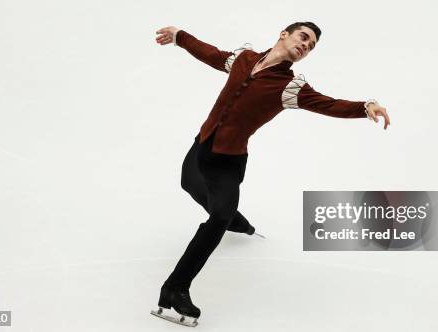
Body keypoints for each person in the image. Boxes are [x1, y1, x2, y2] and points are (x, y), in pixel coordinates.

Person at [152, 22, 391, 326]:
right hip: (201, 145)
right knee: (189, 183)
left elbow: (329, 104)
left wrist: (365, 106)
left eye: (312, 45)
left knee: (217, 219)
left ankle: (175, 288)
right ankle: (238, 223)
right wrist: (180, 37)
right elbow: (211, 54)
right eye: (303, 37)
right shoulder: (244, 59)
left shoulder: (290, 89)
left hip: (228, 162)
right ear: (284, 34)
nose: (306, 45)